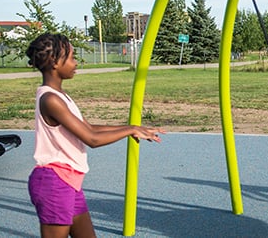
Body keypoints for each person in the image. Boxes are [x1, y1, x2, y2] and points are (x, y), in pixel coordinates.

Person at [26, 33, 165, 238]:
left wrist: (132, 127)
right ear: (55, 62)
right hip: (53, 182)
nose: (76, 63)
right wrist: (130, 131)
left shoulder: (60, 96)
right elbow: (91, 139)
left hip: (69, 182)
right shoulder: (50, 99)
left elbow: (89, 128)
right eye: (72, 57)